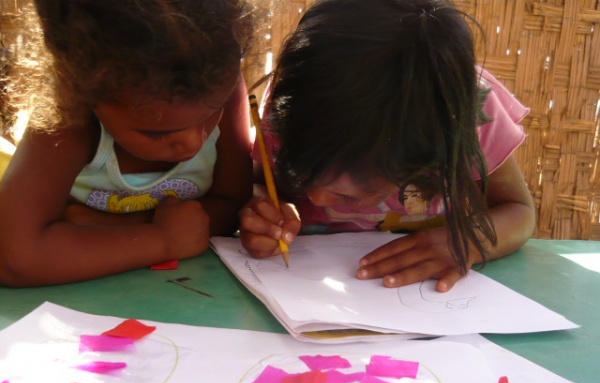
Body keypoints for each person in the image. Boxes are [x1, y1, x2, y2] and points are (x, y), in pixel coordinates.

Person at [239, 0, 536, 292]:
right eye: (301, 174)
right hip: (303, 279)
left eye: (348, 196)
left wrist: (465, 243)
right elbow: (256, 187)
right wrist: (262, 211)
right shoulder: (290, 111)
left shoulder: (471, 120)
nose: (315, 198)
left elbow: (518, 211)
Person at [0, 0, 255, 286]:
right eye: (156, 133)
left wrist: (111, 227)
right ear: (85, 95)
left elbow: (234, 204)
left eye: (213, 114)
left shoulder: (219, 82)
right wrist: (164, 240)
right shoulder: (70, 118)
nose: (193, 143)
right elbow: (14, 258)